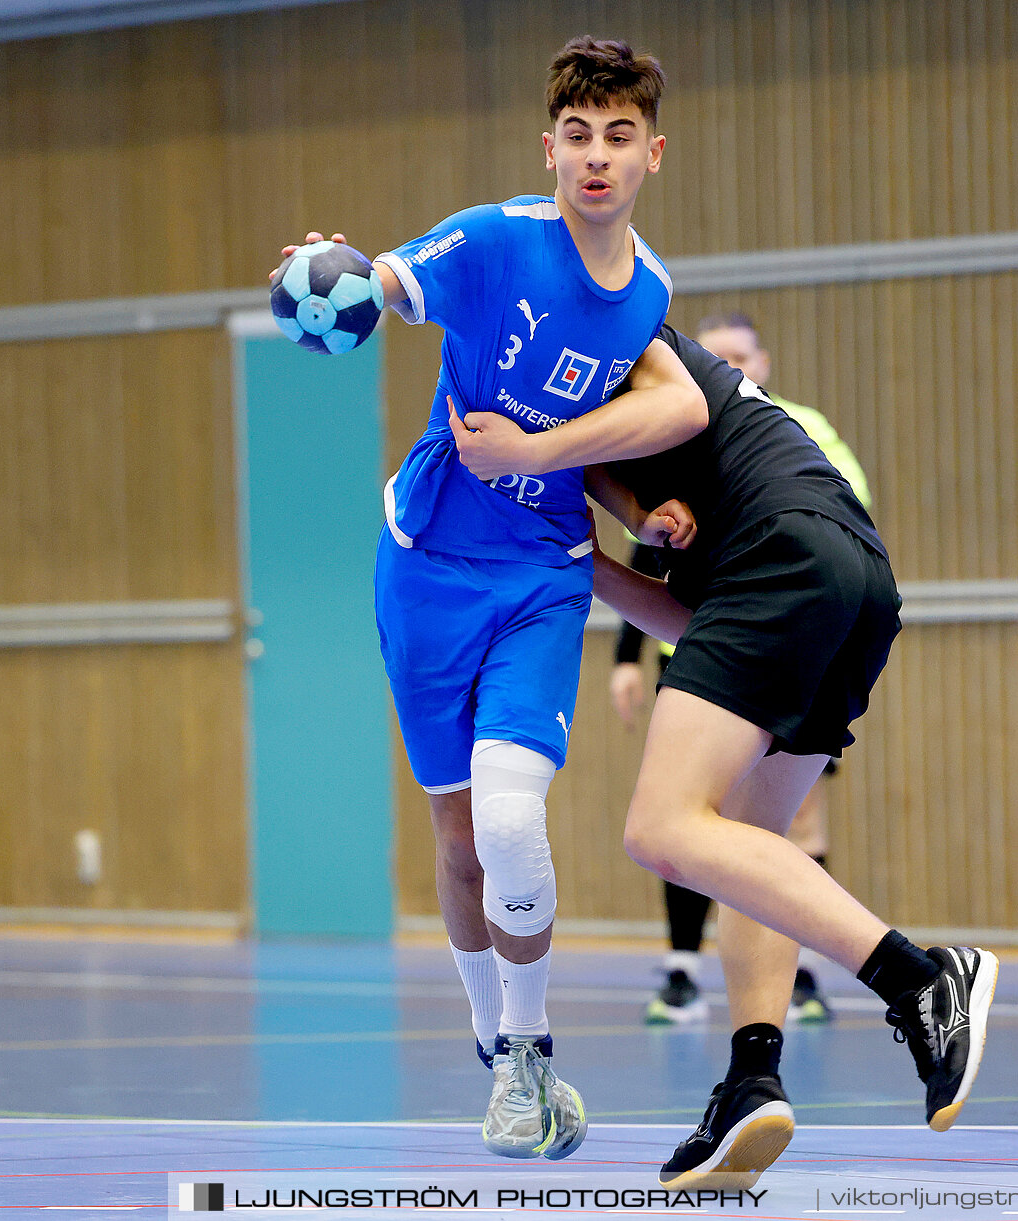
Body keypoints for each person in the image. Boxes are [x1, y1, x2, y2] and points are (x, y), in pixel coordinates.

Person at [278, 36, 706, 1161]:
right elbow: (386, 280)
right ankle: (493, 1047)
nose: (597, 158)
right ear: (549, 149)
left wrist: (630, 514)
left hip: (541, 578)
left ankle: (529, 1058)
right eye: (578, 137)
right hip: (422, 565)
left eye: (620, 137)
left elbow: (593, 437)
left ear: (653, 154)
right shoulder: (490, 238)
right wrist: (337, 268)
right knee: (462, 841)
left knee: (515, 818)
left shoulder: (650, 294)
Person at [587, 324, 998, 1190]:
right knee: (750, 844)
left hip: (777, 562)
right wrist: (590, 562)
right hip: (851, 580)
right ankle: (752, 1077)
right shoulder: (696, 447)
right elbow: (689, 623)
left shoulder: (612, 344)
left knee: (660, 827)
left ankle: (921, 977)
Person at [615, 312, 874, 1027]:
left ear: (761, 359)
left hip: (776, 602)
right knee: (734, 834)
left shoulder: (780, 425)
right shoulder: (669, 443)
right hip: (734, 620)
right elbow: (650, 548)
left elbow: (843, 504)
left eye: (739, 351)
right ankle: (750, 1061)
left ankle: (908, 970)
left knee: (668, 826)